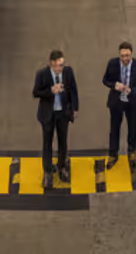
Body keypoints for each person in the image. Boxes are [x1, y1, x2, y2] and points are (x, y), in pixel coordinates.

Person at [33, 50, 78, 185]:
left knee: (62, 142)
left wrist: (75, 108)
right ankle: (47, 172)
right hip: (48, 115)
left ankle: (62, 167)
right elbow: (36, 92)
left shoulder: (68, 72)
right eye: (59, 65)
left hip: (62, 114)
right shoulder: (42, 74)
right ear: (52, 64)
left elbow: (73, 90)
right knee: (47, 144)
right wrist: (51, 91)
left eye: (62, 64)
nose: (62, 67)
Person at [102, 41, 136, 167]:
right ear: (119, 55)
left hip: (132, 101)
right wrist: (114, 85)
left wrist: (133, 91)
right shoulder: (112, 64)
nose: (125, 59)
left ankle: (132, 153)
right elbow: (105, 80)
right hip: (116, 101)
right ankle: (113, 154)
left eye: (127, 55)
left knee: (133, 129)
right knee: (114, 129)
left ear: (131, 54)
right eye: (122, 56)